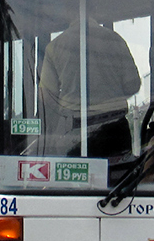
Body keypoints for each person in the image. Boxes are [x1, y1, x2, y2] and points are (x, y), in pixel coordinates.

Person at [38, 14, 141, 159]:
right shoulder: (115, 40)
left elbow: (46, 95)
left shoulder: (55, 46)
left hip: (74, 130)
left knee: (76, 178)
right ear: (95, 11)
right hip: (114, 126)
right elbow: (133, 85)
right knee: (116, 177)